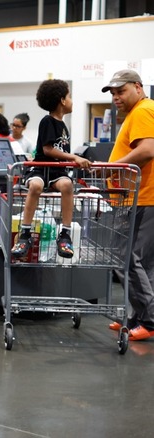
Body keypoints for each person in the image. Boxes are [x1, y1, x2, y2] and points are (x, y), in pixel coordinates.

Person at [10, 79, 91, 260]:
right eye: (69, 96)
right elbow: (48, 150)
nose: (71, 100)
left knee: (67, 185)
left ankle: (65, 234)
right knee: (36, 186)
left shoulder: (63, 125)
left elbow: (60, 151)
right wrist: (74, 157)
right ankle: (25, 234)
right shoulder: (47, 121)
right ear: (62, 100)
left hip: (56, 173)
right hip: (41, 169)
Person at [102, 69, 154, 340]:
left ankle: (149, 319)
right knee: (142, 263)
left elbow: (147, 150)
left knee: (125, 258)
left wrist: (110, 169)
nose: (116, 97)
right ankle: (139, 318)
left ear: (137, 86)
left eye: (121, 91)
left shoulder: (144, 110)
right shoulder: (139, 112)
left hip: (144, 197)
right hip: (142, 197)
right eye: (112, 93)